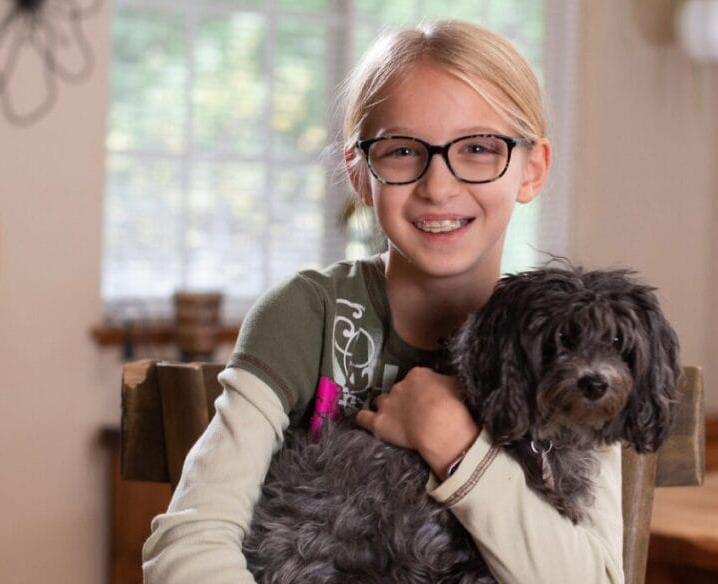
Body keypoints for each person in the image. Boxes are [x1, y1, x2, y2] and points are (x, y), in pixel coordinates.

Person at [142, 20, 626, 583]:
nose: (438, 186)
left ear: (532, 168)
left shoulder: (570, 346)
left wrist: (456, 446)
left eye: (478, 148)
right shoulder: (307, 317)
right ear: (359, 172)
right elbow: (191, 539)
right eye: (401, 151)